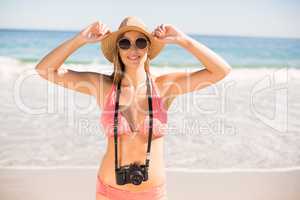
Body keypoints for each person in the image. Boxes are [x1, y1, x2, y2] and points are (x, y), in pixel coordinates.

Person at [35, 16, 231, 200]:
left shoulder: (164, 87)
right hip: (109, 192)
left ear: (148, 48)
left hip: (153, 194)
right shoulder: (103, 87)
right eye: (124, 43)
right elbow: (45, 70)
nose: (133, 49)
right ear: (117, 51)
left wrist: (183, 40)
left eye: (140, 42)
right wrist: (80, 39)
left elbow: (221, 71)